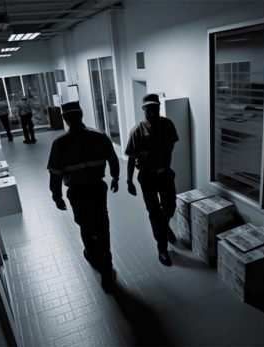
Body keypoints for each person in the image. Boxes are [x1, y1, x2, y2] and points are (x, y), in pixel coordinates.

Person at [47, 101, 120, 292]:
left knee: (86, 226)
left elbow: (55, 173)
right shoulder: (99, 137)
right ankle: (106, 267)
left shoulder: (60, 144)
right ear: (81, 115)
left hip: (78, 192)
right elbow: (113, 159)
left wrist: (57, 195)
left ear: (65, 118)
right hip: (97, 189)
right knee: (102, 226)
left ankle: (94, 256)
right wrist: (115, 177)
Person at [125, 94, 179, 266]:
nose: (153, 110)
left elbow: (171, 147)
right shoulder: (137, 132)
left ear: (159, 107)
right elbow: (132, 159)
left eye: (155, 107)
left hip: (165, 174)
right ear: (143, 109)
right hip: (147, 177)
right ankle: (162, 247)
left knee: (170, 205)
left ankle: (164, 227)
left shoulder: (168, 125)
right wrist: (129, 181)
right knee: (154, 211)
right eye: (149, 108)